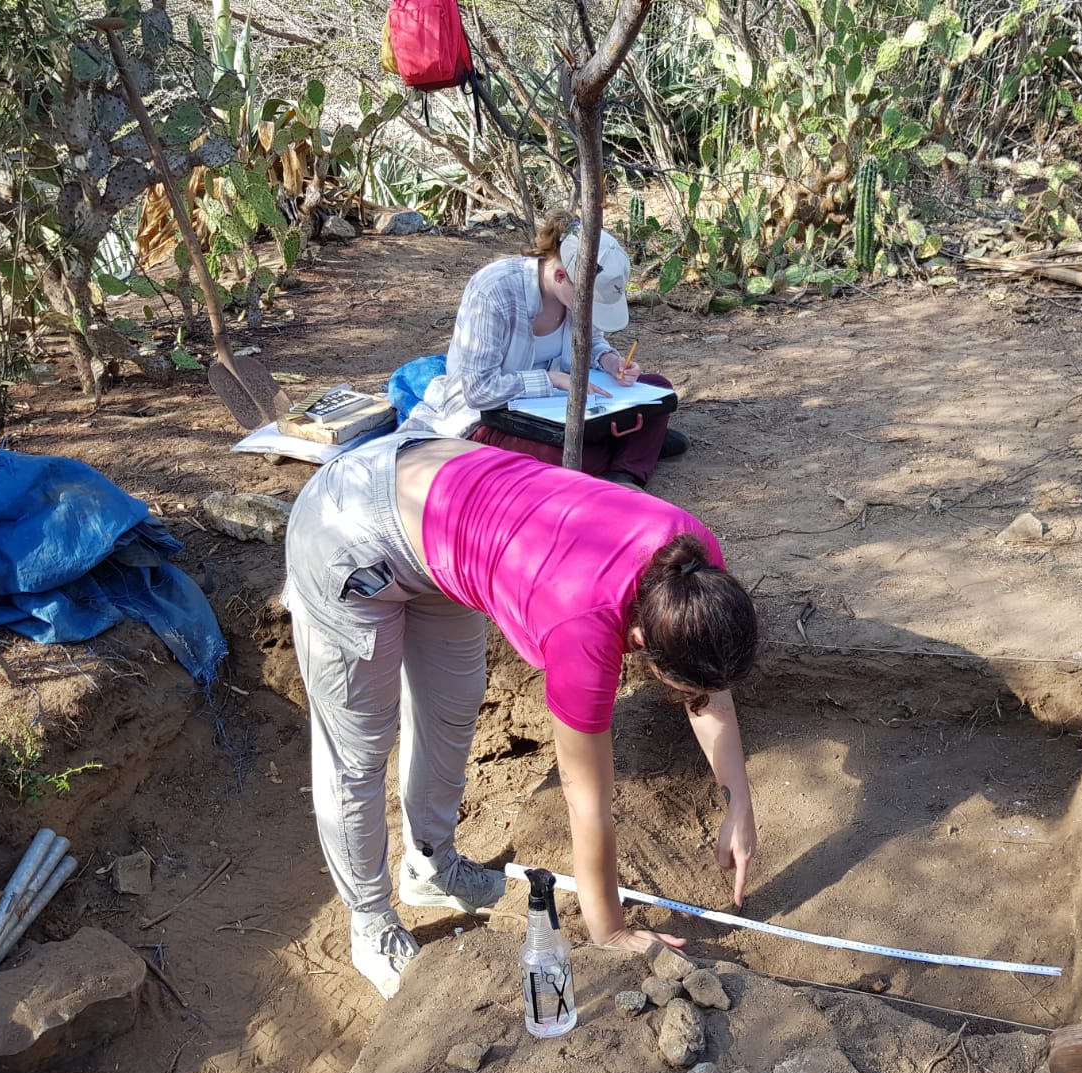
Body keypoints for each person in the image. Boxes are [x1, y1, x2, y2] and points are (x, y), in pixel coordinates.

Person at [282, 430, 758, 998]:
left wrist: (739, 798)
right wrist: (610, 931)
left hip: (445, 524)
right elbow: (588, 803)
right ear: (638, 640)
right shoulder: (584, 630)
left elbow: (708, 683)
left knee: (451, 711)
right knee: (358, 748)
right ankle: (370, 922)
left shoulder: (696, 571)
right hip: (352, 531)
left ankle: (430, 866)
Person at [400, 210, 687, 489]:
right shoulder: (494, 291)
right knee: (576, 457)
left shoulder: (572, 293)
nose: (588, 310)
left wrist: (609, 360)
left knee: (659, 389)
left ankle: (626, 472)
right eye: (588, 301)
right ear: (560, 275)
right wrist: (550, 379)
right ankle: (633, 448)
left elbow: (593, 342)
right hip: (497, 416)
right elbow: (479, 392)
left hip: (562, 405)